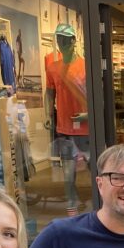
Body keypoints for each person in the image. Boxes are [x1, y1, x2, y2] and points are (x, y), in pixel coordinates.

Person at [44, 23, 89, 217]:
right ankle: (72, 206)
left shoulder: (87, 65)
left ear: (73, 40)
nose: (60, 42)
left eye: (64, 38)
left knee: (95, 169)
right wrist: (48, 114)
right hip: (65, 127)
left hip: (87, 129)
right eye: (58, 38)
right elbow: (49, 93)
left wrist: (89, 115)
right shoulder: (53, 67)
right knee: (69, 174)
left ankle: (99, 207)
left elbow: (98, 96)